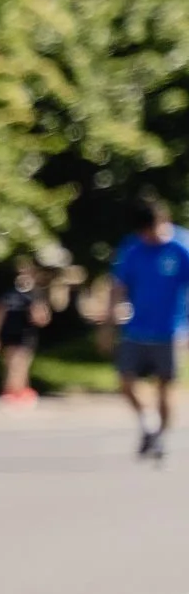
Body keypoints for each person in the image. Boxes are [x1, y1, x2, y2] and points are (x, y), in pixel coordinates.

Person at [111, 193, 189, 459]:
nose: (149, 238)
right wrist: (111, 316)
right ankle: (148, 423)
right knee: (125, 381)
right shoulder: (133, 247)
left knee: (165, 386)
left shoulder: (181, 247)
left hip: (170, 329)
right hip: (136, 328)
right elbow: (118, 284)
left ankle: (159, 438)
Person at [0, 260, 51, 406]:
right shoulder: (8, 293)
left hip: (25, 334)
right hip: (9, 333)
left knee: (21, 364)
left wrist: (37, 309)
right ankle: (12, 391)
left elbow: (42, 318)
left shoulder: (34, 295)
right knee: (13, 364)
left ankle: (18, 391)